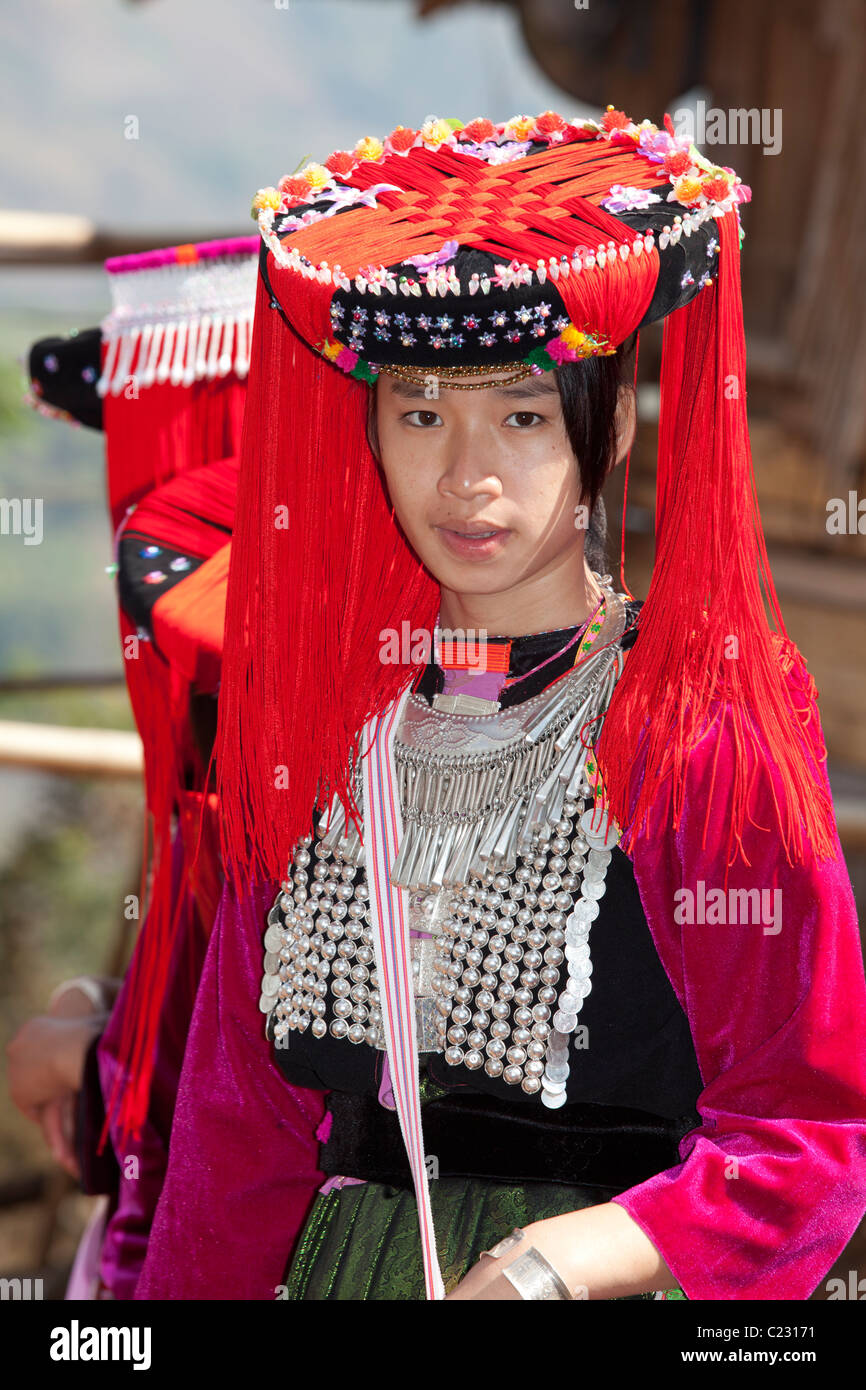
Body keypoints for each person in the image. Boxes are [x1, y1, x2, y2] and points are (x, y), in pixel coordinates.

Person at [135, 108, 866, 1301]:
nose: (465, 474)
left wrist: (555, 1262)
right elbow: (236, 1138)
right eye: (420, 414)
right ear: (365, 427)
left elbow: (808, 1137)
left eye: (522, 417)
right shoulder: (322, 739)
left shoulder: (696, 727)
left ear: (609, 422)